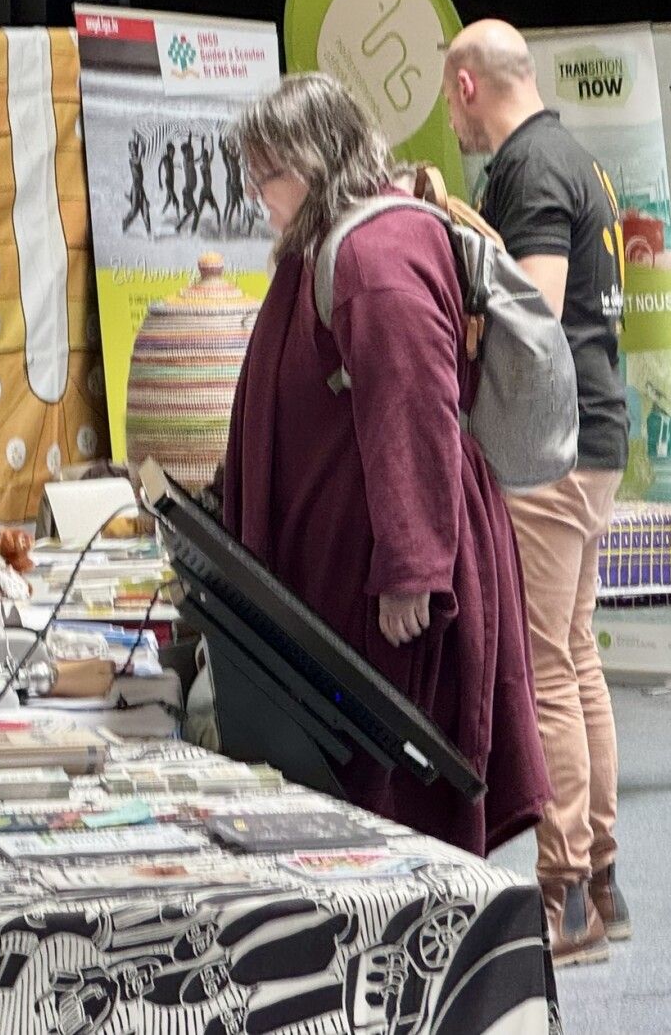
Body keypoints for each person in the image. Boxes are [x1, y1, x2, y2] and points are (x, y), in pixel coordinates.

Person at [223, 72, 549, 856]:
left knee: (400, 813)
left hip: (393, 597)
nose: (259, 197)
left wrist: (413, 567)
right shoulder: (336, 244)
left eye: (268, 175)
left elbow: (415, 406)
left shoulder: (375, 255)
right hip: (354, 576)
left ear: (315, 161)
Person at [444, 19, 630, 965]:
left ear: (467, 86)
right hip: (597, 436)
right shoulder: (575, 157)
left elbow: (537, 312)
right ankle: (602, 879)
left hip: (552, 450)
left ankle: (563, 899)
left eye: (448, 100)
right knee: (575, 654)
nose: (452, 120)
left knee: (548, 665)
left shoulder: (528, 168)